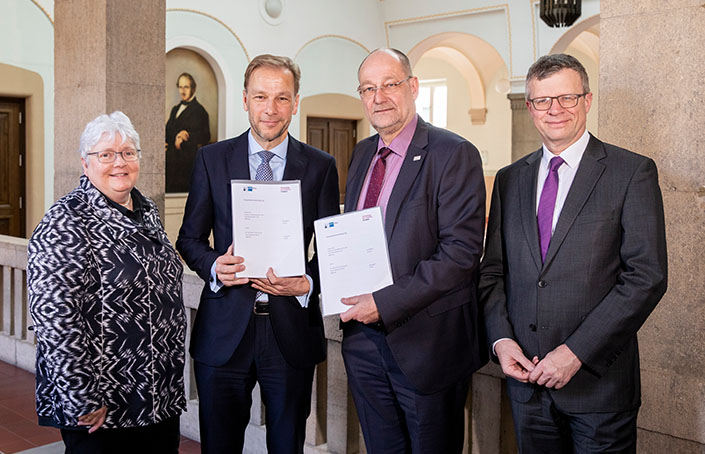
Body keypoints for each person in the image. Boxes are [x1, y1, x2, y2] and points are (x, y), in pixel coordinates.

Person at [480, 53, 668, 453]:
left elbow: (645, 277)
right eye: (543, 100)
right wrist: (501, 341)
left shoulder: (631, 172)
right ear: (529, 108)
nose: (555, 110)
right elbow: (493, 272)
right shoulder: (510, 180)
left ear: (587, 100)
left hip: (598, 390)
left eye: (566, 97)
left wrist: (575, 352)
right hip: (526, 386)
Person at [176, 54, 339, 453]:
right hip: (224, 329)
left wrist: (309, 283)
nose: (271, 109)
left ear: (296, 102)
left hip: (290, 331)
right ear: (245, 99)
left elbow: (332, 246)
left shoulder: (320, 166)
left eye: (282, 98)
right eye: (261, 96)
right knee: (220, 445)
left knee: (287, 445)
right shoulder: (212, 159)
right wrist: (214, 264)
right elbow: (189, 239)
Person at [339, 48, 487, 453]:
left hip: (427, 345)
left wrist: (383, 304)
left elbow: (461, 253)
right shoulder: (363, 154)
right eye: (369, 88)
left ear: (413, 87)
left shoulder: (453, 153)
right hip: (363, 343)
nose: (379, 97)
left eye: (390, 84)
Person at [27, 111, 186, 453]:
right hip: (104, 407)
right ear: (86, 164)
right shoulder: (65, 222)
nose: (120, 162)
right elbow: (54, 318)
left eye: (128, 152)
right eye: (106, 154)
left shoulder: (146, 210)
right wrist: (82, 397)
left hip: (156, 397)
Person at [165, 72, 211, 192]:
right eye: (180, 87)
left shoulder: (200, 111)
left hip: (186, 163)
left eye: (186, 87)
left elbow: (205, 136)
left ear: (193, 88)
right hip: (170, 160)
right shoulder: (175, 109)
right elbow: (167, 131)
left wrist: (187, 137)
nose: (183, 91)